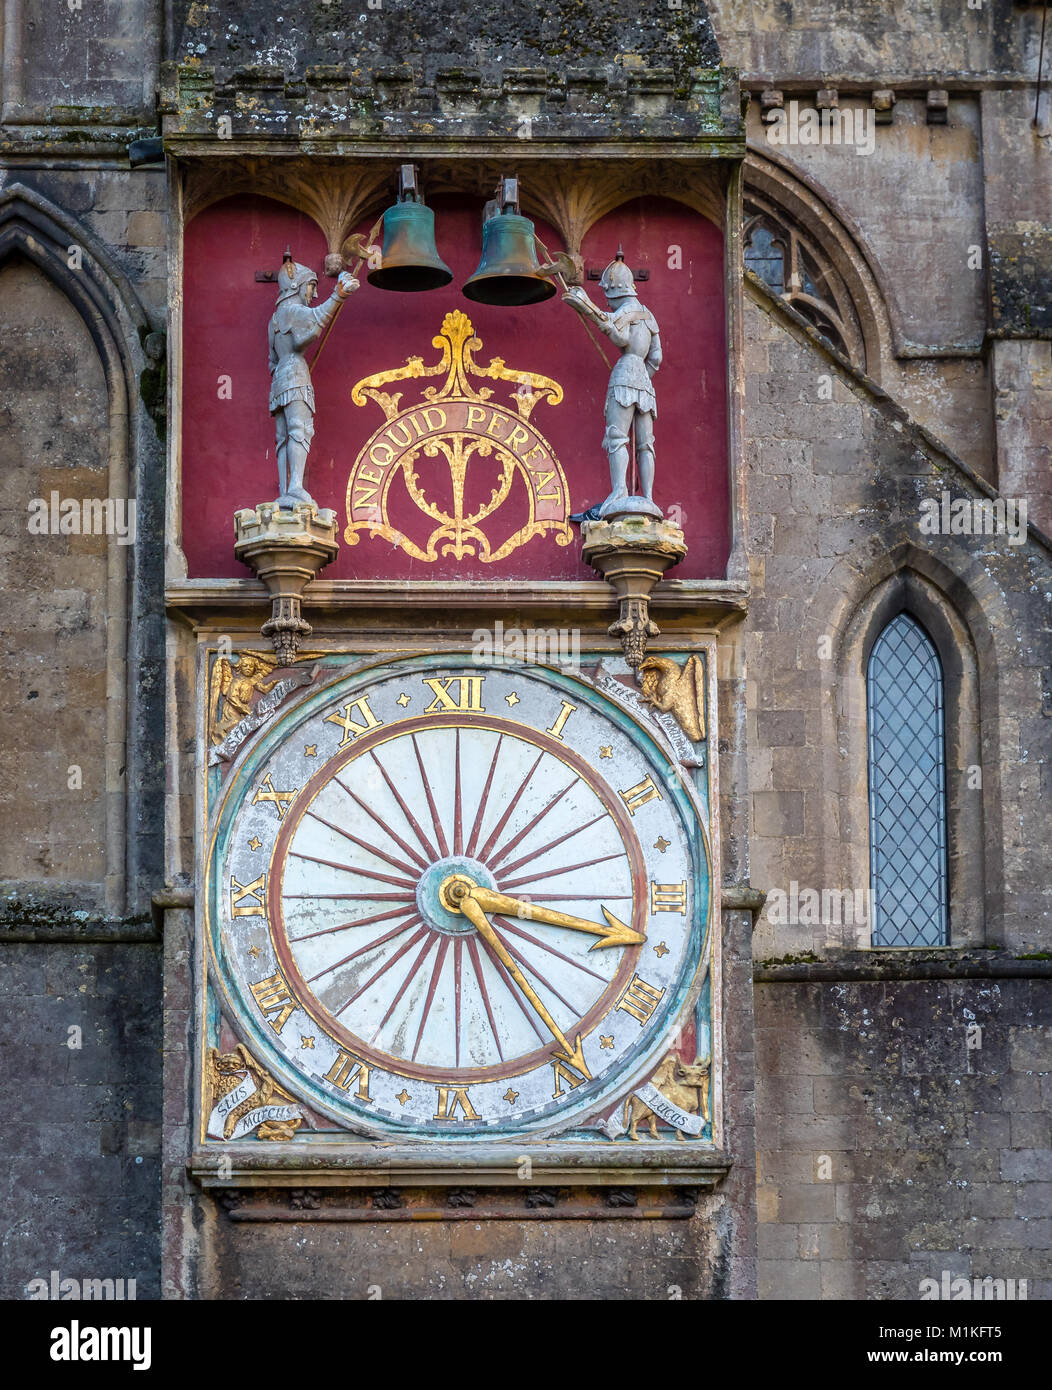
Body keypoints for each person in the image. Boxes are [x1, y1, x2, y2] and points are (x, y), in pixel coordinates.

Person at [562, 250, 662, 521]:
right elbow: (656, 358)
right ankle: (648, 497)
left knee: (617, 438)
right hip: (644, 380)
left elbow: (620, 337)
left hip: (625, 375)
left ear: (613, 290)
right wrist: (642, 376)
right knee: (645, 444)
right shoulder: (649, 315)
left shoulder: (626, 311)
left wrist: (587, 309)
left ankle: (619, 490)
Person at [268, 255, 358, 507]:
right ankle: (295, 486)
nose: (314, 293)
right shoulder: (294, 311)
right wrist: (338, 295)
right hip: (296, 373)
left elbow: (272, 360)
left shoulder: (274, 320)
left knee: (283, 435)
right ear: (297, 286)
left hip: (279, 379)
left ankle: (285, 490)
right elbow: (317, 318)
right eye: (311, 286)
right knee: (300, 429)